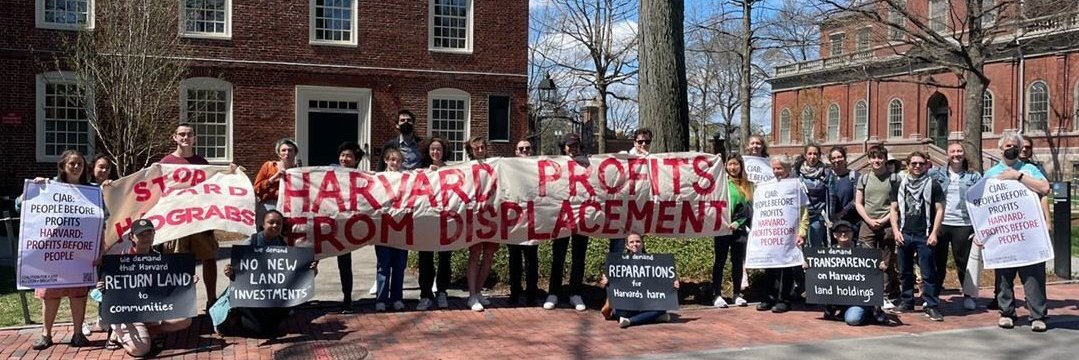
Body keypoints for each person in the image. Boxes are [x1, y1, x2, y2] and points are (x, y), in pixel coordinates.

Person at [18, 150, 93, 350]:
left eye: (80, 164)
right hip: (51, 254)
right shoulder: (48, 186)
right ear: (62, 166)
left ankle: (78, 335)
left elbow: (105, 215)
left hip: (79, 253)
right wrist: (32, 189)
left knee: (78, 295)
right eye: (72, 164)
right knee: (51, 295)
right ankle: (46, 335)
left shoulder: (91, 191)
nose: (77, 167)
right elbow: (20, 205)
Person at [983, 133, 1050, 332]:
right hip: (1004, 234)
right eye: (1007, 145)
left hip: (1030, 233)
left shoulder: (1030, 169)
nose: (1011, 148)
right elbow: (983, 205)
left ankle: (1038, 315)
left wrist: (1018, 176)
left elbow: (1045, 189)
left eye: (1014, 145)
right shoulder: (991, 173)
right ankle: (1006, 313)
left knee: (1033, 276)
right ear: (1000, 149)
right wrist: (982, 232)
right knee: (1004, 274)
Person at [99, 219, 193, 357]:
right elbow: (106, 289)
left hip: (151, 310)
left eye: (149, 233)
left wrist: (187, 282)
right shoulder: (119, 260)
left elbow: (171, 286)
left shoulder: (161, 259)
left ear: (154, 235)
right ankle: (116, 334)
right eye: (141, 234)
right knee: (140, 350)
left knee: (185, 318)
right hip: (128, 314)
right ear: (131, 237)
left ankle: (152, 331)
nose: (145, 238)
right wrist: (102, 286)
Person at [220, 210, 316, 338]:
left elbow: (294, 274)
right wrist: (230, 271)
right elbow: (237, 272)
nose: (275, 226)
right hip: (251, 297)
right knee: (257, 330)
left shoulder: (284, 245)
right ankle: (236, 318)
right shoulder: (251, 242)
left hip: (271, 297)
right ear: (263, 224)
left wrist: (310, 270)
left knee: (270, 330)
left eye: (278, 223)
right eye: (271, 222)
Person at [158, 123, 220, 312]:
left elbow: (212, 188)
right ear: (174, 137)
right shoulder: (165, 162)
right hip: (176, 222)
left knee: (209, 258)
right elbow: (157, 190)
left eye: (189, 134)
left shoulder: (201, 163)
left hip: (200, 219)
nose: (185, 137)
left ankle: (212, 301)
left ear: (194, 138)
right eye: (182, 134)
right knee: (179, 260)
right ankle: (181, 302)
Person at [371, 110, 423, 296]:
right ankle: (380, 285)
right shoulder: (390, 145)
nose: (406, 122)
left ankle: (399, 292)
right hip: (389, 204)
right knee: (384, 248)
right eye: (402, 120)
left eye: (409, 120)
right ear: (397, 125)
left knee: (404, 247)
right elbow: (378, 172)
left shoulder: (421, 146)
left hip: (412, 202)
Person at [889, 151, 945, 321]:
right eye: (914, 163)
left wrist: (934, 232)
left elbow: (940, 209)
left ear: (926, 164)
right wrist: (896, 231)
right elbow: (893, 209)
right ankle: (907, 300)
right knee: (905, 271)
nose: (917, 166)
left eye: (921, 163)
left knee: (928, 272)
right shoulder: (900, 184)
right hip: (905, 233)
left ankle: (931, 304)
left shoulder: (933, 184)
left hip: (925, 233)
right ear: (908, 165)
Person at [927, 142, 982, 311]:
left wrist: (979, 228)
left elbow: (981, 202)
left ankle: (968, 296)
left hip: (963, 224)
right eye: (952, 151)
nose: (956, 154)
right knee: (937, 261)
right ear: (947, 155)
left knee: (964, 262)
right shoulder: (935, 174)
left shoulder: (974, 177)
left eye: (959, 151)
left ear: (964, 154)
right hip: (941, 223)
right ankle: (934, 295)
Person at [544, 133, 590, 312]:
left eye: (576, 145)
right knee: (558, 256)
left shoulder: (588, 163)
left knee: (579, 257)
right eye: (570, 145)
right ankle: (553, 293)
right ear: (564, 147)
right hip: (561, 217)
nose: (573, 148)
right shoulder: (556, 164)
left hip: (583, 215)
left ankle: (575, 293)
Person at [756, 156, 808, 313]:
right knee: (770, 267)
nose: (776, 171)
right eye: (774, 168)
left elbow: (804, 210)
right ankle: (768, 297)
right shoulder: (767, 186)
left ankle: (783, 299)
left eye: (779, 168)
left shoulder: (796, 185)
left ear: (787, 169)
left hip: (789, 234)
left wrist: (802, 232)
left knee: (786, 268)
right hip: (772, 233)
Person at [854, 145, 900, 310]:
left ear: (885, 159)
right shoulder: (864, 179)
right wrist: (868, 219)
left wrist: (885, 219)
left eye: (880, 157)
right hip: (867, 224)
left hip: (888, 223)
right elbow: (858, 203)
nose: (877, 160)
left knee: (885, 261)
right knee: (866, 260)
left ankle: (884, 295)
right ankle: (867, 292)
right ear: (868, 160)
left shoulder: (895, 179)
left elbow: (898, 204)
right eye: (873, 157)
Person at [599, 233, 676, 328]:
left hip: (646, 303)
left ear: (642, 244)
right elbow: (610, 285)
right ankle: (652, 318)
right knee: (621, 312)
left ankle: (630, 321)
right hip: (627, 304)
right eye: (631, 242)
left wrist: (672, 283)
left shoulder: (653, 262)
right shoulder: (618, 263)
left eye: (638, 241)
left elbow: (661, 281)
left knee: (661, 308)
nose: (635, 244)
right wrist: (606, 281)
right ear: (627, 245)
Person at [817, 221, 885, 326]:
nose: (843, 234)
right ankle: (842, 310)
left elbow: (875, 271)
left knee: (853, 319)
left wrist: (880, 266)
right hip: (838, 297)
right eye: (839, 232)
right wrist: (808, 267)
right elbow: (819, 275)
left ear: (852, 233)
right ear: (834, 235)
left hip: (860, 299)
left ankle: (869, 311)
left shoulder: (863, 249)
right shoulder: (828, 253)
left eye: (846, 231)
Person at [417, 136, 453, 310]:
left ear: (444, 151)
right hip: (427, 220)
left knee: (445, 257)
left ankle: (442, 292)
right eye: (433, 149)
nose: (436, 152)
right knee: (425, 258)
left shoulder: (453, 171)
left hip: (447, 221)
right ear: (428, 151)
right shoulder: (421, 171)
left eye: (439, 149)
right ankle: (425, 294)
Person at [465, 136, 501, 312]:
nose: (480, 151)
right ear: (471, 151)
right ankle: (471, 294)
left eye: (482, 147)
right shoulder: (465, 168)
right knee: (475, 254)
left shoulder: (496, 165)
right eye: (476, 148)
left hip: (492, 216)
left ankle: (478, 291)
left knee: (488, 255)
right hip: (475, 217)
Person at [713, 153, 750, 308]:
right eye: (730, 164)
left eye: (736, 164)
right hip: (722, 228)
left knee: (737, 262)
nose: (733, 167)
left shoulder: (747, 185)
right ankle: (716, 295)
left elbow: (748, 207)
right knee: (720, 261)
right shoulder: (720, 182)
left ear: (741, 166)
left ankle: (736, 294)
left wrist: (738, 222)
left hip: (739, 229)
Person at [332, 141, 365, 313]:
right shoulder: (328, 172)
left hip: (346, 225)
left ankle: (347, 298)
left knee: (345, 262)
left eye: (349, 156)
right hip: (325, 222)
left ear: (356, 160)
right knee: (310, 261)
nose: (344, 159)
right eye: (342, 155)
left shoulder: (362, 176)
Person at [374, 148, 409, 312]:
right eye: (392, 160)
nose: (395, 163)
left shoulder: (408, 179)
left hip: (402, 228)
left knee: (399, 265)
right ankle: (381, 299)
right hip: (383, 228)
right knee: (383, 265)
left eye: (398, 160)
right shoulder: (377, 179)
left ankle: (397, 298)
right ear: (386, 161)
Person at [610, 128, 654, 253]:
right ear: (634, 143)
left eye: (647, 141)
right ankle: (616, 268)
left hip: (641, 207)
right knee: (618, 242)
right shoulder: (625, 156)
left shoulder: (654, 160)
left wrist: (648, 157)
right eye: (640, 142)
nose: (644, 144)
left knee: (637, 241)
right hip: (623, 207)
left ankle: (639, 268)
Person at [507, 139, 540, 306]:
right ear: (516, 151)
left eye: (528, 148)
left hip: (531, 218)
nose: (525, 151)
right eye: (521, 148)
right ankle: (514, 292)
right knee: (514, 258)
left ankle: (531, 293)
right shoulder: (508, 167)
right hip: (513, 218)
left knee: (531, 258)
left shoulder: (538, 167)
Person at [254, 138, 300, 229]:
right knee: (265, 234)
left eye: (290, 150)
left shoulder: (298, 171)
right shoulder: (269, 166)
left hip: (289, 208)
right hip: (269, 206)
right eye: (283, 150)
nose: (287, 153)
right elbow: (256, 189)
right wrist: (273, 178)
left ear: (295, 154)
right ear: (278, 153)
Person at [795, 143, 833, 247]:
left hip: (817, 215)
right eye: (810, 154)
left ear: (819, 155)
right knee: (799, 246)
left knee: (814, 248)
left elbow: (830, 196)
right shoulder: (797, 173)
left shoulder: (826, 173)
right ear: (805, 155)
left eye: (815, 154)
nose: (812, 157)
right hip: (801, 216)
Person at [828, 146, 860, 234]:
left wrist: (841, 213)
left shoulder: (854, 176)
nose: (837, 160)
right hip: (831, 224)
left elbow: (856, 199)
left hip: (851, 222)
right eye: (833, 158)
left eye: (839, 157)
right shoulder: (827, 177)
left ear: (845, 158)